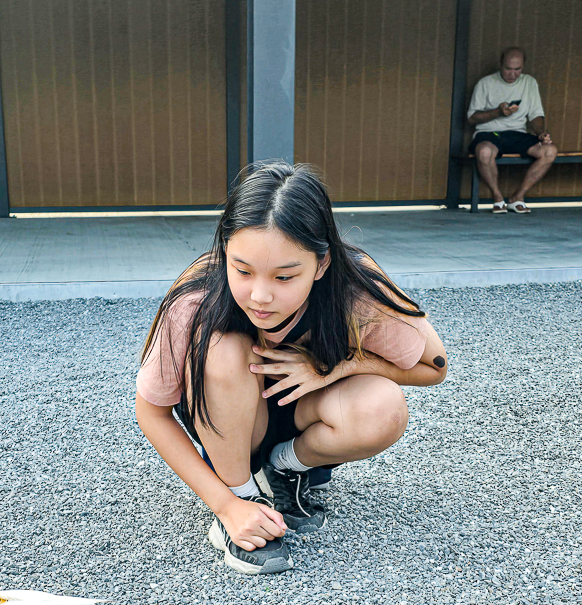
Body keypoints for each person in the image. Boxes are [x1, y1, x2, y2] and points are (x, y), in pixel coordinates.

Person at [135, 162, 448, 575]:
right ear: (225, 250)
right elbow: (151, 412)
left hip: (305, 414)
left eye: (284, 277)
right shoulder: (195, 300)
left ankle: (284, 468)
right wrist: (226, 505)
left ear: (322, 264)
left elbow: (434, 366)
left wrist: (333, 369)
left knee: (383, 407)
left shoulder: (354, 287)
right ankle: (243, 494)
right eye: (242, 270)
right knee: (225, 349)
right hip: (228, 422)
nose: (260, 296)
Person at [467, 47, 557, 214]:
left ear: (523, 67)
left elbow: (536, 115)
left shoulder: (529, 82)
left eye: (518, 69)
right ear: (500, 65)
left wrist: (541, 134)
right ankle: (497, 198)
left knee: (550, 151)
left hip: (517, 133)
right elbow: (472, 118)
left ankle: (518, 197)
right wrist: (497, 112)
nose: (513, 74)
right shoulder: (485, 83)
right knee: (484, 152)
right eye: (508, 69)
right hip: (489, 133)